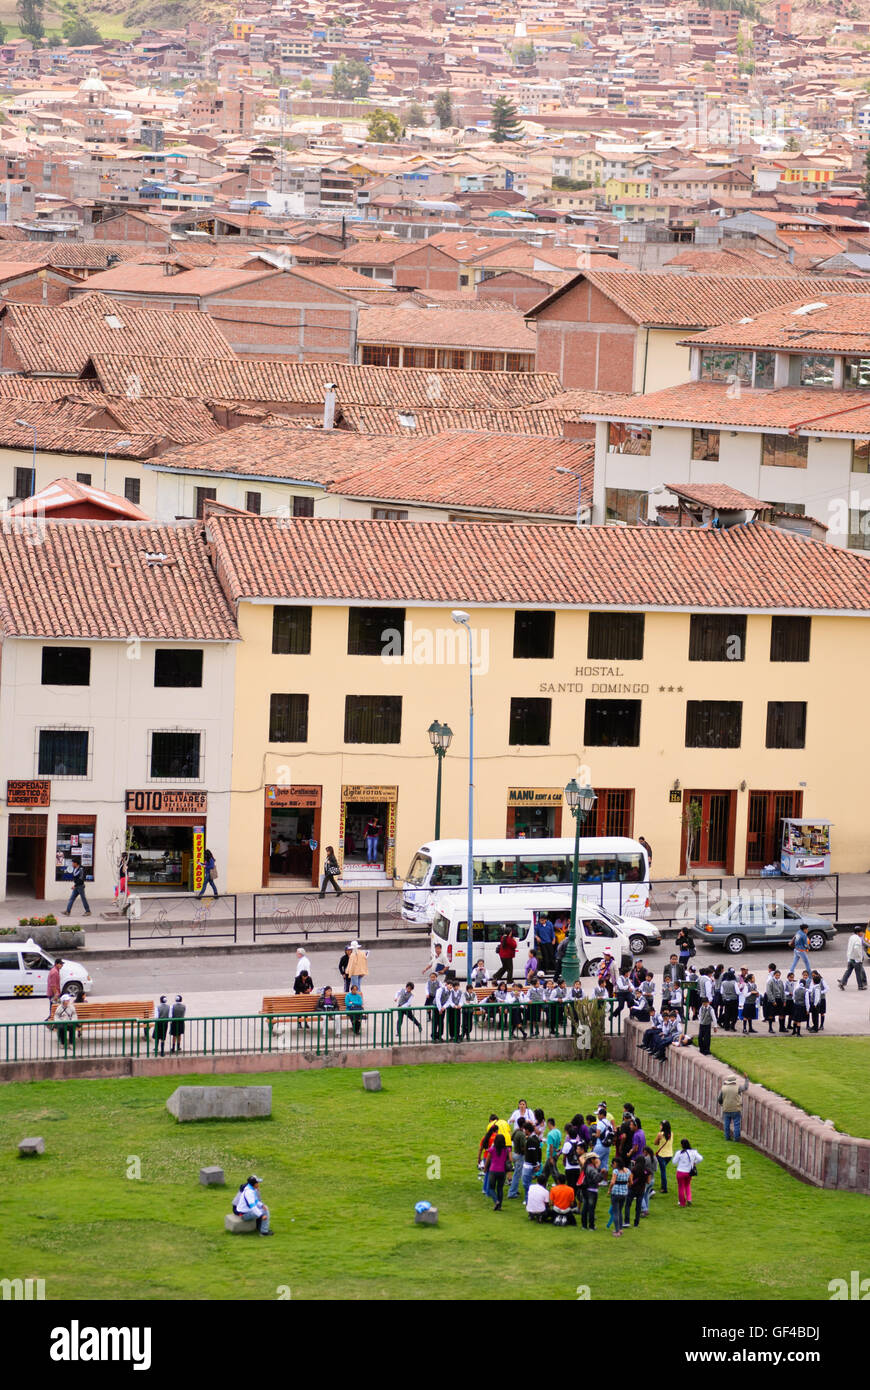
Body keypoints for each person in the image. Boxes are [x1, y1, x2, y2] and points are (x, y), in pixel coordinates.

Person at [717, 1073, 749, 1142]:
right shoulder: (738, 1087)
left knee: (726, 1124)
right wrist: (746, 1079)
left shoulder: (723, 1088)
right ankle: (736, 1139)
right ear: (734, 1081)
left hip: (726, 1109)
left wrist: (722, 1104)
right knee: (736, 1124)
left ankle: (727, 1138)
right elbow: (745, 1087)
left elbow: (719, 1099)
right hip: (736, 1109)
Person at [674, 1138, 703, 1207]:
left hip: (680, 1172)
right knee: (687, 1185)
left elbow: (674, 1162)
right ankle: (689, 1199)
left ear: (682, 1145)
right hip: (689, 1173)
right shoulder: (693, 1152)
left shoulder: (679, 1153)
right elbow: (700, 1158)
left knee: (681, 1187)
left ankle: (682, 1203)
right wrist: (694, 1163)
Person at [485, 1133, 510, 1211]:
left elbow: (488, 1160)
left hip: (493, 1171)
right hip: (502, 1171)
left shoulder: (492, 1149)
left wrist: (485, 1168)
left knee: (491, 1188)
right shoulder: (507, 1150)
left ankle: (496, 1201)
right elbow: (509, 1160)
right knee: (500, 1189)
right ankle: (499, 1206)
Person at [839, 927, 868, 991]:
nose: (862, 933)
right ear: (858, 932)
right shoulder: (858, 939)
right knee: (858, 973)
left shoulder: (851, 937)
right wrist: (859, 958)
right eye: (861, 932)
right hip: (856, 959)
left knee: (848, 971)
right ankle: (860, 986)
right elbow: (856, 949)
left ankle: (842, 983)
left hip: (850, 958)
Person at [608, 1157, 631, 1237]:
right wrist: (625, 1186)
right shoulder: (628, 1171)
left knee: (615, 1212)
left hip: (615, 1193)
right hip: (624, 1193)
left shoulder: (616, 1171)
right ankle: (620, 1229)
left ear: (616, 1163)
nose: (612, 1165)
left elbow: (612, 1182)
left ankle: (617, 1231)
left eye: (613, 1163)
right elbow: (630, 1182)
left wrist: (609, 1190)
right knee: (620, 1211)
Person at [653, 1120, 672, 1195]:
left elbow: (655, 1143)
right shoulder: (671, 1134)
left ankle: (664, 1188)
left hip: (661, 1155)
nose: (660, 1126)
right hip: (669, 1155)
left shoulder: (660, 1134)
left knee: (663, 1172)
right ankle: (663, 1186)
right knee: (663, 1170)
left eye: (661, 1125)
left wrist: (658, 1138)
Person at [764, 969, 785, 1034]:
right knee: (771, 1014)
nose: (778, 976)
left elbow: (783, 991)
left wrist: (784, 1000)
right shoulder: (770, 982)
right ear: (774, 975)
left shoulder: (781, 982)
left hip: (780, 999)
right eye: (776, 975)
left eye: (779, 975)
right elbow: (768, 992)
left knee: (781, 1014)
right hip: (772, 1000)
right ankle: (770, 1028)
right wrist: (773, 1001)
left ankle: (781, 1028)